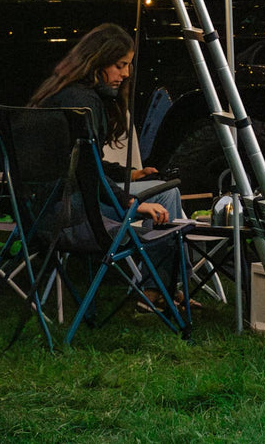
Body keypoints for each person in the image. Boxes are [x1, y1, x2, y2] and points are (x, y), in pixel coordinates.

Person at [28, 23, 197, 312]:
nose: (126, 74)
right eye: (120, 65)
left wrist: (127, 175)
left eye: (128, 66)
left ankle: (165, 288)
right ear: (98, 60)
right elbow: (86, 173)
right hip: (71, 215)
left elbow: (81, 162)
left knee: (158, 190)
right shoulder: (83, 104)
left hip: (39, 211)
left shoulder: (60, 93)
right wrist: (130, 203)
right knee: (165, 195)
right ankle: (158, 290)